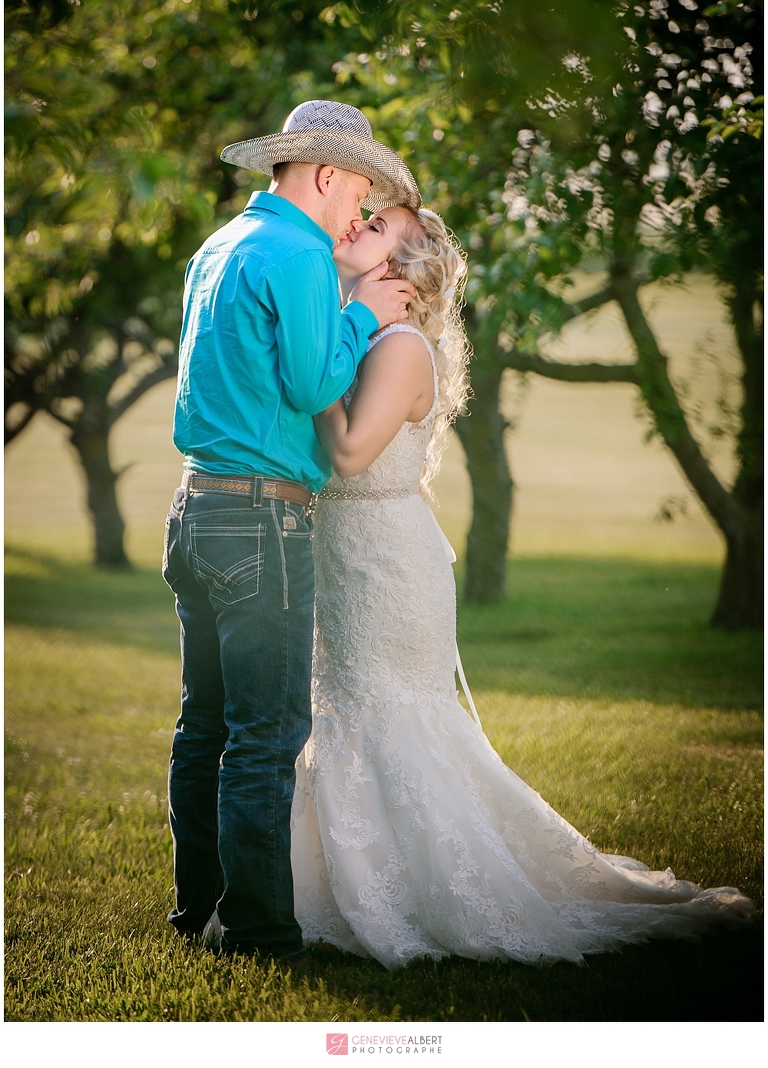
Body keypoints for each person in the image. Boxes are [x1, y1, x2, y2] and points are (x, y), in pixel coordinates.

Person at [290, 204, 752, 969]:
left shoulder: (400, 346)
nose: (355, 225)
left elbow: (344, 454)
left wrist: (303, 371)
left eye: (374, 227)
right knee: (350, 710)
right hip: (350, 558)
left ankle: (436, 893)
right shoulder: (366, 333)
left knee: (392, 718)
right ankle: (345, 885)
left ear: (400, 271)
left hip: (385, 568)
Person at [162, 100, 420, 962]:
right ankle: (261, 932)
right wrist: (366, 315)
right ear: (323, 175)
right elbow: (315, 389)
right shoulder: (302, 254)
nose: (359, 216)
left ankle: (194, 907)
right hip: (263, 521)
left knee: (204, 726)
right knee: (267, 737)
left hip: (195, 507)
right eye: (360, 195)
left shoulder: (220, 245)